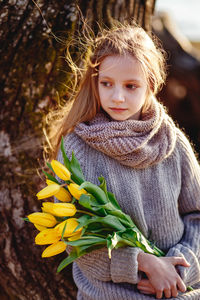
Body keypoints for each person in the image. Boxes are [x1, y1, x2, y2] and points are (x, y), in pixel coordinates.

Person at [48, 23, 200, 299]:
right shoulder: (77, 148)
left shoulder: (173, 143)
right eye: (107, 84)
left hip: (181, 289)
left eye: (131, 86)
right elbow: (74, 236)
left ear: (151, 86)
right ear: (95, 83)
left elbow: (197, 214)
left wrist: (179, 269)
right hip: (109, 294)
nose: (117, 97)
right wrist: (144, 263)